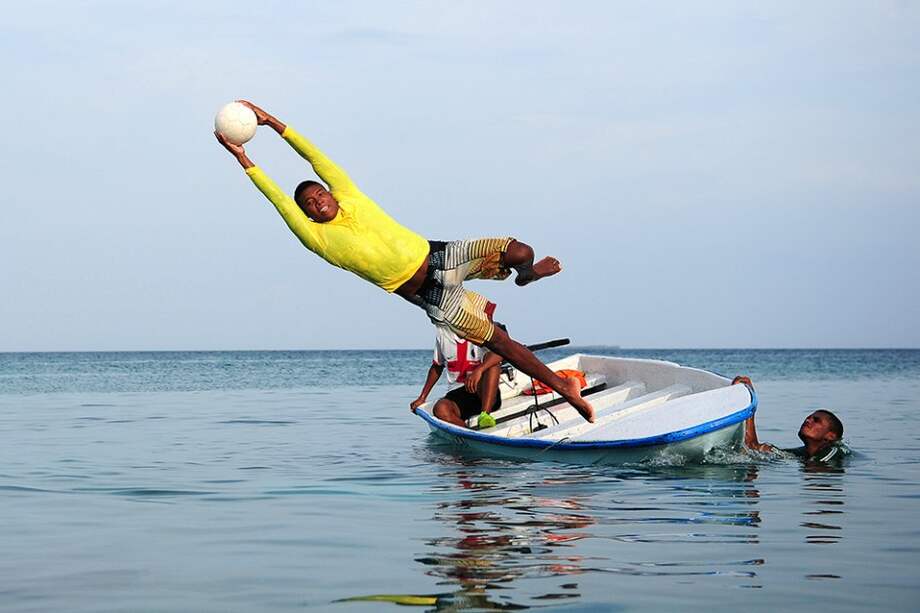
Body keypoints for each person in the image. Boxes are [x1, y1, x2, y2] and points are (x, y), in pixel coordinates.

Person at [215, 100, 594, 422]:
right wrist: (244, 157)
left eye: (319, 194)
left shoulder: (350, 196)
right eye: (310, 204)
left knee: (519, 251)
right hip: (430, 296)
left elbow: (316, 157)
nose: (318, 201)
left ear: (330, 192)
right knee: (500, 342)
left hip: (443, 254)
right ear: (309, 216)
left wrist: (273, 123)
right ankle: (564, 388)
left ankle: (524, 275)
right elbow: (279, 200)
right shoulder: (317, 239)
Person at [732, 376, 847, 463]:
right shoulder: (802, 453)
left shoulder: (833, 453)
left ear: (830, 436)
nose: (807, 420)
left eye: (816, 420)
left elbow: (815, 468)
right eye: (808, 418)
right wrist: (749, 397)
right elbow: (753, 447)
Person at [411, 323, 504, 428]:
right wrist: (422, 397)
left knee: (493, 366)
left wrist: (479, 370)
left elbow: (500, 354)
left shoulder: (480, 331)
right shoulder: (443, 335)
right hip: (457, 394)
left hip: (483, 392)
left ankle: (485, 415)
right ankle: (467, 432)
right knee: (440, 409)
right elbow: (437, 366)